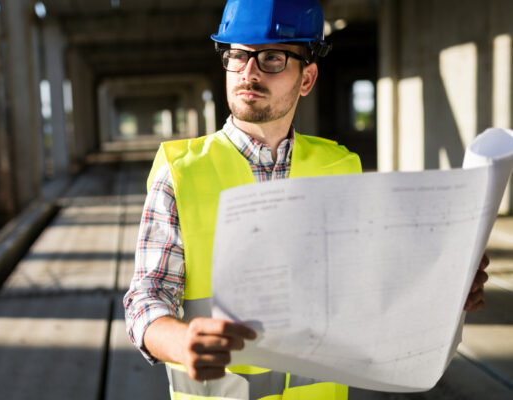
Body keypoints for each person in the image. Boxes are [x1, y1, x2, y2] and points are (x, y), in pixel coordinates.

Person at [123, 0, 490, 399]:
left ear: (307, 78)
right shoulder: (181, 175)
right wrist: (183, 342)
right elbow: (147, 297)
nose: (249, 72)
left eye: (272, 58)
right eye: (237, 56)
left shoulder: (341, 167)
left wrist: (445, 285)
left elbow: (373, 293)